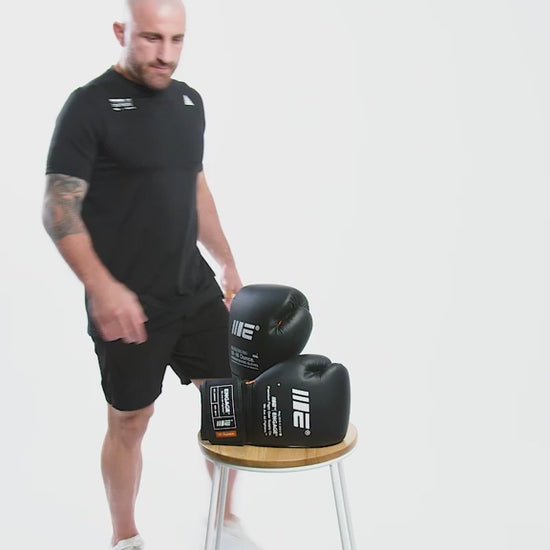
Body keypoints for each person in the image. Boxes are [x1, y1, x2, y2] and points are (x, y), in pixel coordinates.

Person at [42, 0, 250, 548]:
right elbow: (58, 210)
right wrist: (102, 288)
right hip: (128, 302)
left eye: (177, 40)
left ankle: (225, 523)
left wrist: (227, 261)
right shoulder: (88, 107)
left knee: (228, 404)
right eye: (152, 38)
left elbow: (194, 186)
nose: (166, 54)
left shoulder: (188, 102)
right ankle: (125, 538)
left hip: (193, 287)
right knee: (131, 421)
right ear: (121, 31)